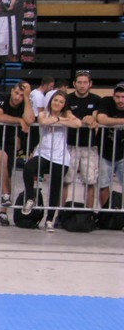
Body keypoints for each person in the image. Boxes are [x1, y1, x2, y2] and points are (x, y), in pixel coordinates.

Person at [21, 91, 81, 232]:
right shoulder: (44, 113)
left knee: (55, 188)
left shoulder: (67, 114)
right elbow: (43, 122)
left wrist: (59, 119)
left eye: (61, 101)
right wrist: (62, 120)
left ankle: (49, 220)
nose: (57, 103)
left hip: (60, 157)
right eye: (55, 100)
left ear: (64, 104)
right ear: (51, 101)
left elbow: (78, 123)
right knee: (28, 169)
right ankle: (30, 197)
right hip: (44, 153)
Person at [0, 81, 35, 226]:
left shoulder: (25, 103)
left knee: (8, 175)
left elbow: (30, 120)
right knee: (2, 156)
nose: (18, 97)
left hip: (9, 140)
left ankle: (3, 212)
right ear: (11, 91)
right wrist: (19, 120)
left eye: (21, 95)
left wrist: (27, 98)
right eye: (16, 93)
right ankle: (5, 194)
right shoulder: (2, 96)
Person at [65, 69, 102, 209]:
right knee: (65, 180)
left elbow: (96, 116)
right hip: (70, 145)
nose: (82, 85)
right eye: (79, 82)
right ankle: (61, 214)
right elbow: (67, 114)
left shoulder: (96, 99)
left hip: (90, 146)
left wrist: (93, 118)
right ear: (74, 84)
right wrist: (78, 120)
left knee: (90, 182)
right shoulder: (67, 98)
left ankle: (89, 214)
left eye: (85, 82)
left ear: (90, 84)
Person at [96, 82, 124, 210]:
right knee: (103, 184)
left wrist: (112, 122)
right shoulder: (106, 102)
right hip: (104, 151)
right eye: (117, 97)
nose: (120, 100)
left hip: (122, 153)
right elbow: (101, 119)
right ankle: (105, 214)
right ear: (113, 96)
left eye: (123, 97)